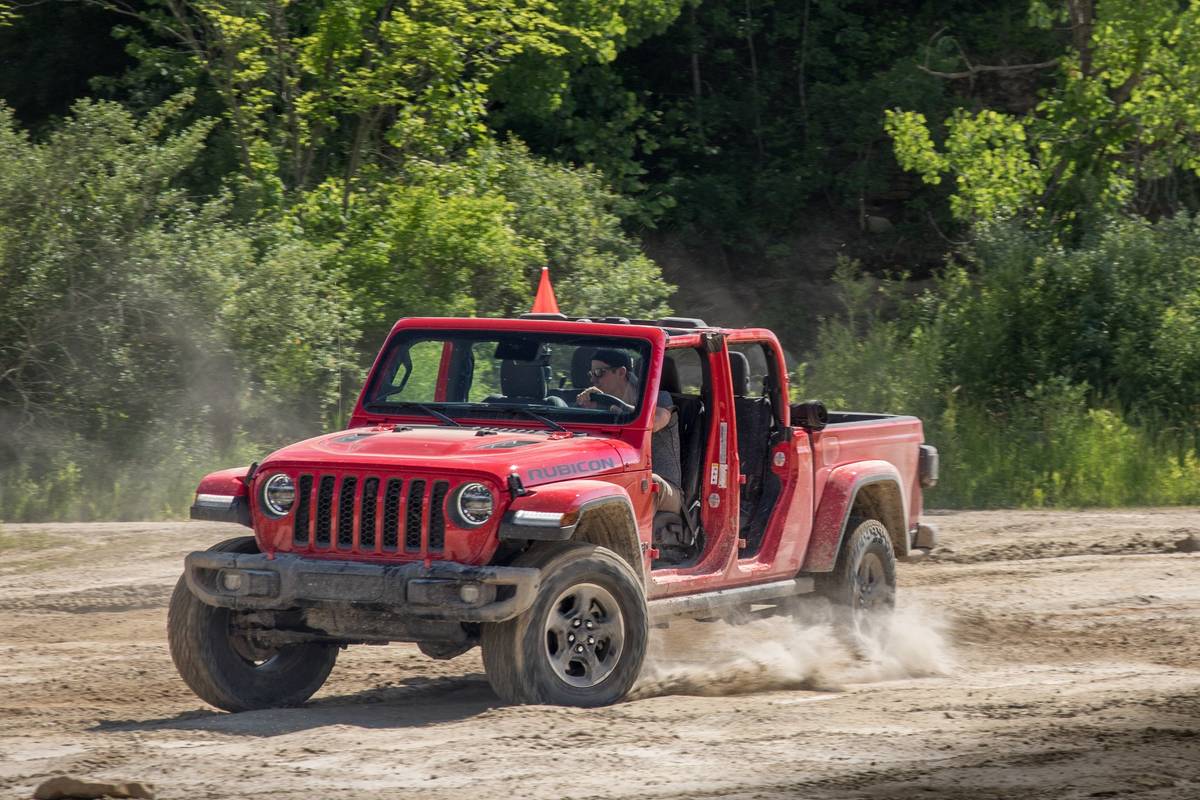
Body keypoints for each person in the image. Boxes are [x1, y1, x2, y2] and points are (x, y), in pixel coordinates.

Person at [575, 348, 682, 513]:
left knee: (645, 483)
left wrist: (614, 408)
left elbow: (654, 422)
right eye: (591, 374)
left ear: (621, 372)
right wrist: (589, 411)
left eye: (599, 372)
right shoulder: (602, 406)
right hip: (621, 479)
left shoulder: (659, 398)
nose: (594, 380)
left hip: (665, 487)